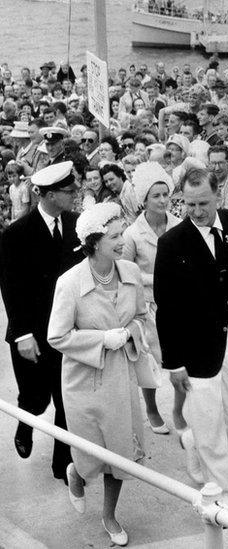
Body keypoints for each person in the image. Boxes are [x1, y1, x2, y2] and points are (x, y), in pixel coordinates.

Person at [154, 167, 228, 506]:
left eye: (203, 203)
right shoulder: (171, 242)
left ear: (218, 195)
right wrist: (173, 363)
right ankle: (222, 496)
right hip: (195, 351)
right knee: (210, 425)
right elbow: (167, 306)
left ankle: (193, 442)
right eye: (189, 205)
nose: (196, 212)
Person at [48, 203, 148, 546]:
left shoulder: (131, 272)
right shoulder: (70, 282)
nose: (122, 241)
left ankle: (109, 514)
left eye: (122, 233)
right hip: (84, 381)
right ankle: (76, 471)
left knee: (119, 453)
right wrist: (102, 339)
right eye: (114, 236)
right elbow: (57, 336)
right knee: (91, 452)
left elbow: (142, 315)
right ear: (93, 242)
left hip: (121, 376)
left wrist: (130, 330)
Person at [0, 161, 83, 483]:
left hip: (68, 332)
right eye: (68, 191)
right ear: (47, 195)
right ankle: (26, 423)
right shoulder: (16, 234)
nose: (75, 194)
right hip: (32, 332)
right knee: (35, 399)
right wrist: (22, 334)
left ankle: (63, 463)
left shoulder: (78, 226)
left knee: (67, 401)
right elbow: (11, 287)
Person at [122, 162, 184, 437]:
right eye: (155, 196)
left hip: (178, 304)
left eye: (165, 194)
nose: (162, 200)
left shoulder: (180, 225)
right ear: (144, 200)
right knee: (148, 364)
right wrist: (156, 280)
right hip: (147, 307)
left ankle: (179, 410)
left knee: (182, 360)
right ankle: (151, 409)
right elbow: (125, 271)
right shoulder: (133, 233)